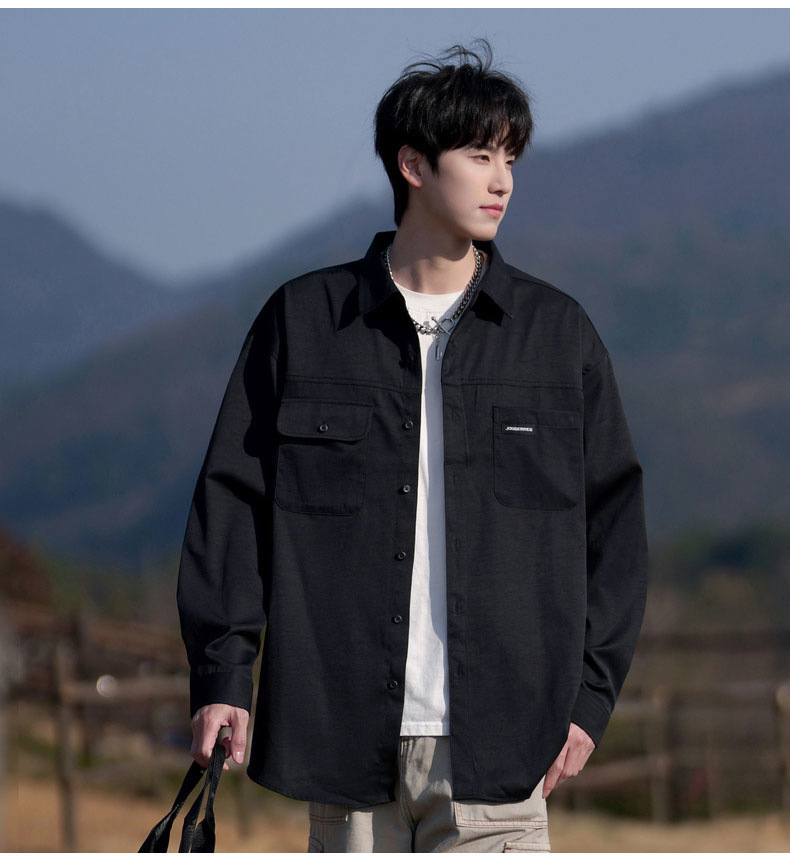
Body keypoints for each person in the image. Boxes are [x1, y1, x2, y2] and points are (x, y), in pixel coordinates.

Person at [177, 39, 648, 853]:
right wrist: (223, 675)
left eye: (511, 158)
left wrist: (590, 699)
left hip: (503, 750)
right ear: (414, 165)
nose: (502, 181)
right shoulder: (304, 324)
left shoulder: (556, 337)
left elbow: (615, 529)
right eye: (480, 155)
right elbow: (233, 505)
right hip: (344, 742)